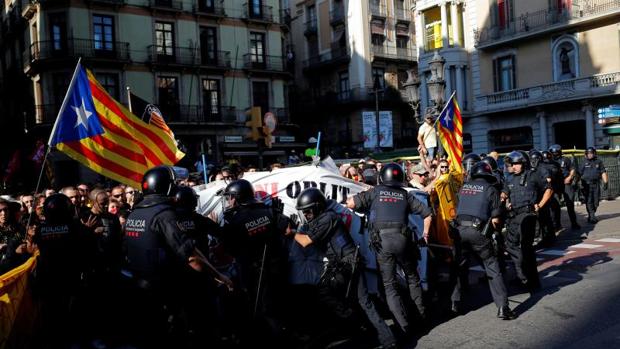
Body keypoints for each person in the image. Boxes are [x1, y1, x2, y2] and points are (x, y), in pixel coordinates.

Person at [123, 166, 233, 348]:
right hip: (165, 291)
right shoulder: (164, 215)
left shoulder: (135, 213)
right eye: (172, 184)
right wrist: (219, 276)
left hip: (140, 287)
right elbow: (191, 257)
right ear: (165, 187)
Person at [290, 188, 397, 348]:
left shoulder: (328, 217)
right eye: (304, 212)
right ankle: (371, 333)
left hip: (347, 264)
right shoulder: (322, 218)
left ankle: (374, 333)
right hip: (343, 264)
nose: (306, 215)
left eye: (308, 211)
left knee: (333, 294)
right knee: (356, 300)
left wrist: (289, 231)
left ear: (318, 207)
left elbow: (305, 241)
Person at [347, 163, 432, 335]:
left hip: (382, 244)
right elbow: (428, 213)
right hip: (403, 242)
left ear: (381, 177)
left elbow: (350, 204)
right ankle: (421, 317)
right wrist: (425, 235)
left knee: (389, 285)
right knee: (412, 278)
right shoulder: (405, 195)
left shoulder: (375, 192)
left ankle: (403, 326)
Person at [220, 179, 289, 345]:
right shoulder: (268, 210)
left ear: (236, 198)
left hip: (252, 272)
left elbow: (230, 249)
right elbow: (286, 230)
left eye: (229, 197)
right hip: (276, 268)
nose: (228, 201)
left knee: (262, 311)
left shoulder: (234, 220)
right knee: (273, 308)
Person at [451, 162, 516, 320]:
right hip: (478, 233)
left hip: (458, 232)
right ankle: (503, 307)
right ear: (488, 175)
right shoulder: (491, 189)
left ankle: (454, 304)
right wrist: (497, 233)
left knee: (458, 269)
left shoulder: (464, 188)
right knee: (492, 267)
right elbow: (495, 220)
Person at [32, 194, 86, 349]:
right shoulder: (76, 227)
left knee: (51, 318)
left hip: (47, 280)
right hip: (69, 279)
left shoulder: (40, 230)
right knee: (70, 319)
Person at [502, 151, 553, 291]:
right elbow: (504, 193)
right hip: (514, 217)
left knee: (527, 249)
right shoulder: (509, 178)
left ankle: (533, 282)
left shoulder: (533, 176)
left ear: (523, 163)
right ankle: (522, 276)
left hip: (528, 215)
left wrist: (540, 205)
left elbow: (548, 190)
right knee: (510, 246)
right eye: (512, 164)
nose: (514, 166)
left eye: (516, 163)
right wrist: (505, 201)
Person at [549, 144, 580, 230]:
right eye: (553, 153)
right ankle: (557, 225)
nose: (554, 154)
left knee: (570, 204)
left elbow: (572, 169)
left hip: (566, 183)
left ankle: (574, 223)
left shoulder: (565, 159)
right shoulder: (549, 161)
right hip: (555, 184)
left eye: (556, 153)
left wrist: (570, 177)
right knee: (555, 205)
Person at [578, 147, 609, 223]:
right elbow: (578, 174)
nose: (590, 155)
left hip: (596, 184)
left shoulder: (599, 162)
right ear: (586, 154)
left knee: (596, 202)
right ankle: (592, 216)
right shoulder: (583, 162)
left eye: (591, 153)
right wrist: (578, 184)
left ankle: (591, 214)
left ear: (594, 153)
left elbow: (603, 172)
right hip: (586, 185)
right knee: (589, 201)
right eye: (588, 153)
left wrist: (605, 182)